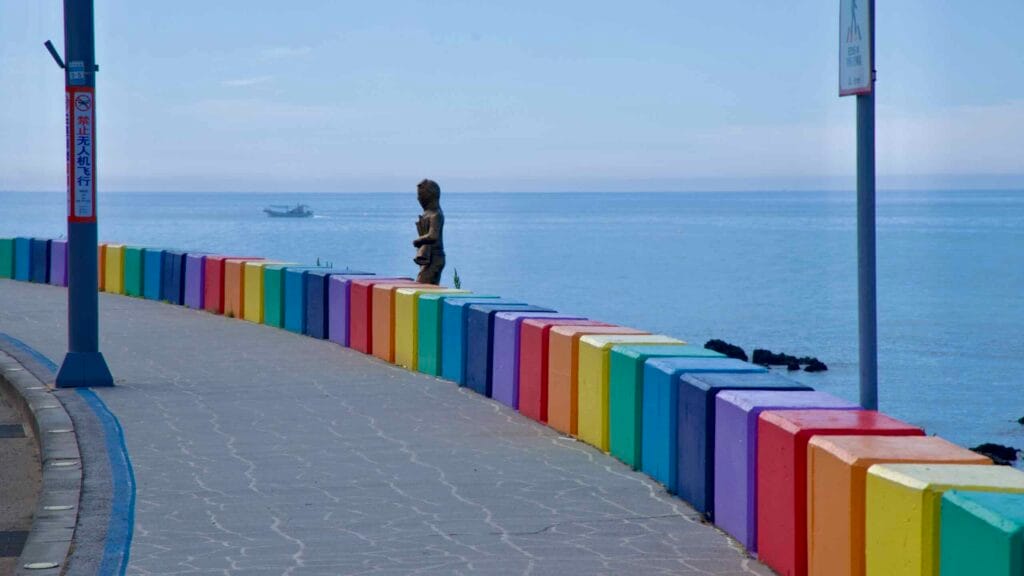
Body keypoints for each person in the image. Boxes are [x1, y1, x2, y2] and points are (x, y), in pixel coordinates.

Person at [413, 179, 445, 285]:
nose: (418, 198)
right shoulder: (428, 214)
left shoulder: (436, 215)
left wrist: (418, 240)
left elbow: (433, 236)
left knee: (422, 285)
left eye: (420, 195)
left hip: (435, 259)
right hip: (427, 258)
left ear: (429, 196)